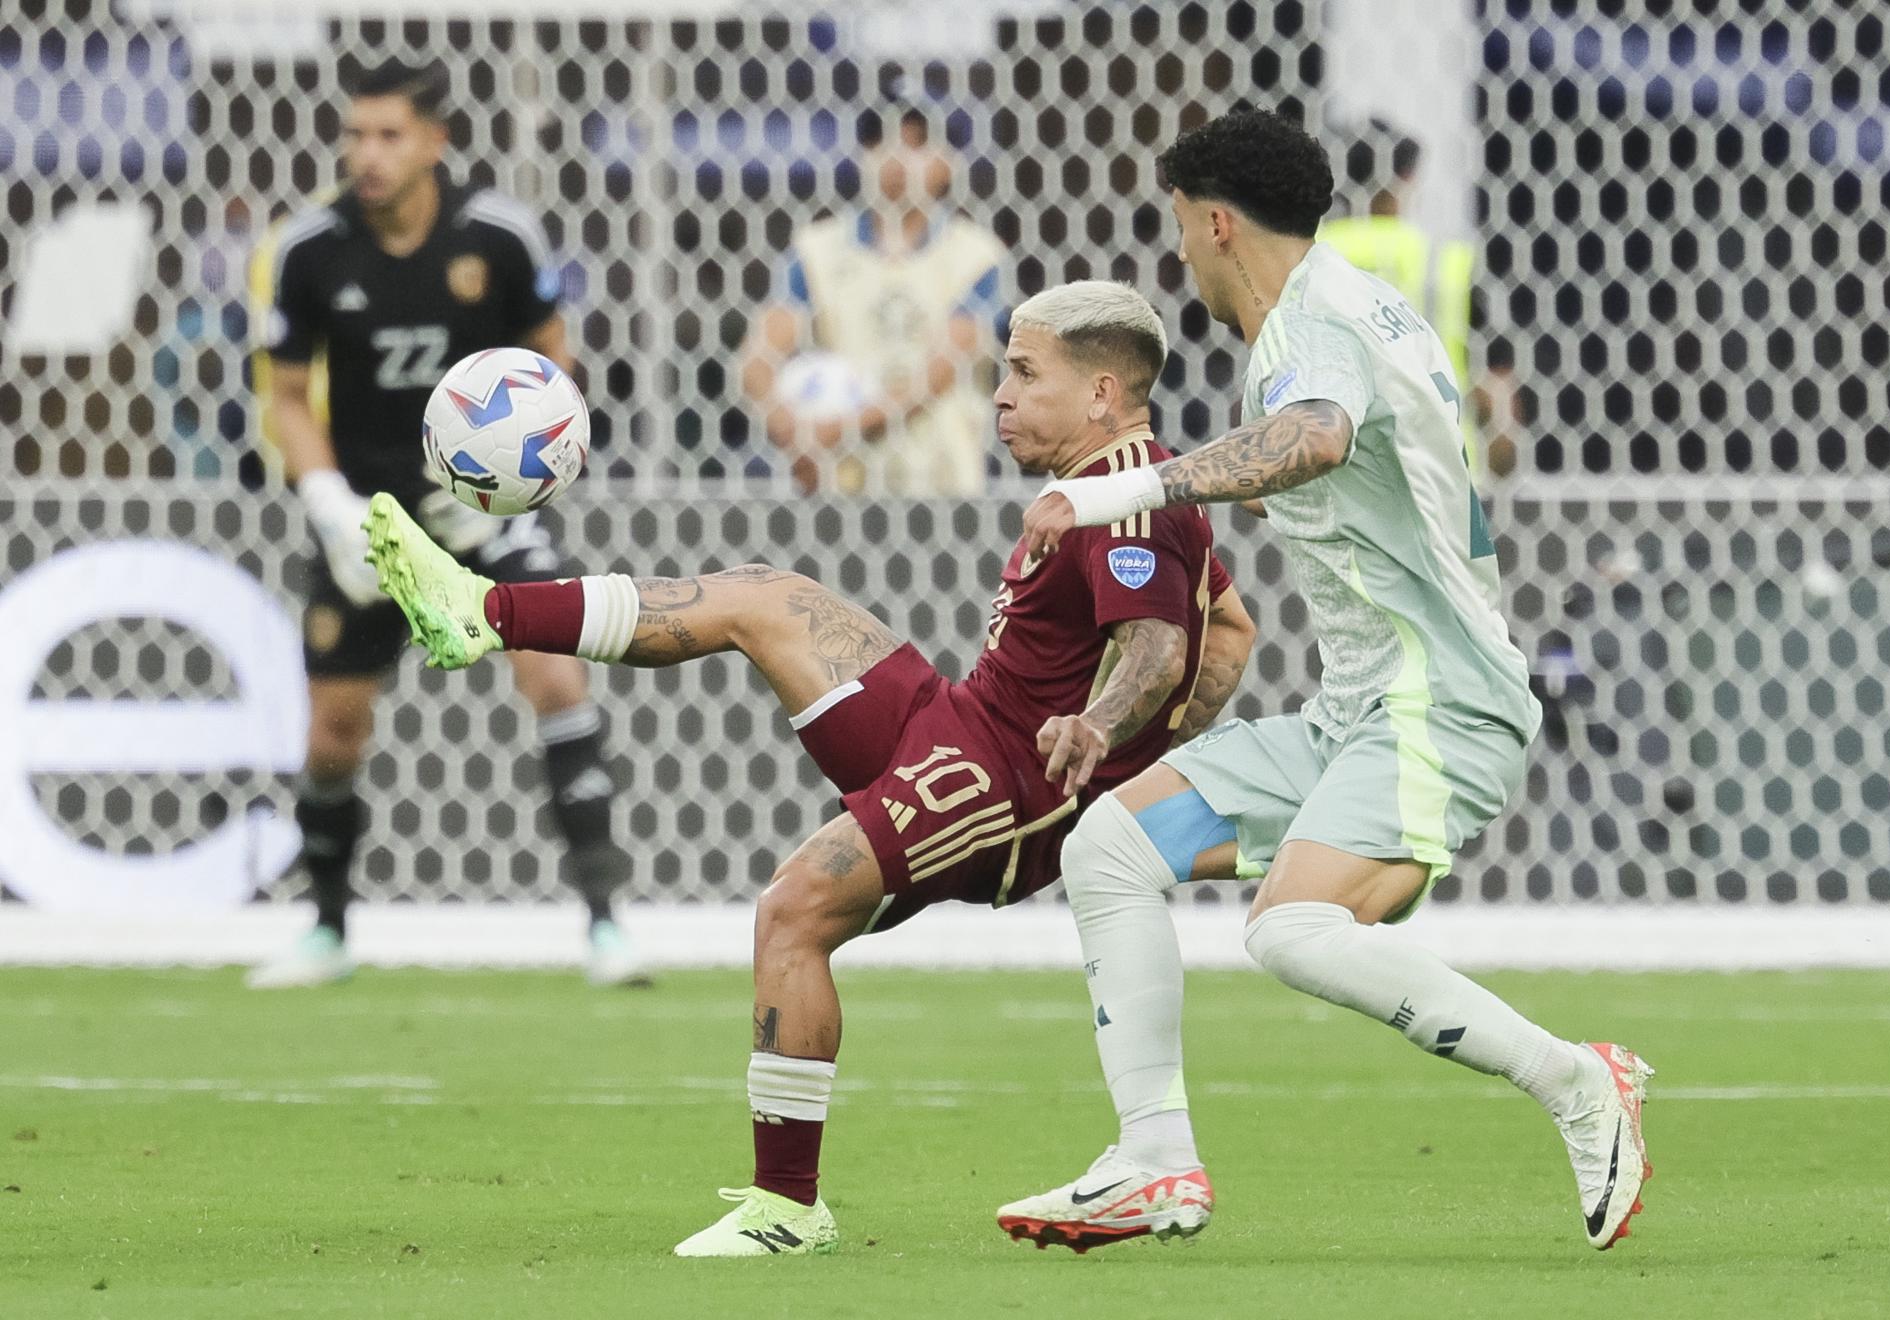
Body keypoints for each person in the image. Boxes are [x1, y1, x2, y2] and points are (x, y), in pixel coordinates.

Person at [362, 281, 1259, 1256]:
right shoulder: (1132, 482)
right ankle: (482, 613)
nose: (998, 393)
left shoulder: (1126, 499)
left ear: (1099, 394)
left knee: (793, 909)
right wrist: (1145, 742)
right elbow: (1229, 631)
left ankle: (787, 1210)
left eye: (1022, 372)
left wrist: (1098, 737)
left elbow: (1160, 648)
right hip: (964, 722)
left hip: (1003, 783)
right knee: (762, 597)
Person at [1002, 110, 1653, 1253]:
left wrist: (1114, 494)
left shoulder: (1315, 323)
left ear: (1214, 222)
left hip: (1438, 702)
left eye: (1178, 230)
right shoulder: (1346, 312)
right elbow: (1347, 469)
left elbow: (1312, 437)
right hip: (1360, 710)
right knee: (1107, 843)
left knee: (1293, 929)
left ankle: (1580, 1082)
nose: (1179, 256)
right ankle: (1152, 1162)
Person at [245, 58, 649, 989]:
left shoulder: (497, 238)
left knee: (556, 676)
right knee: (333, 732)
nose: (366, 154)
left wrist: (510, 488)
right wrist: (330, 508)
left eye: (388, 135)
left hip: (482, 512)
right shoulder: (311, 249)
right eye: (355, 134)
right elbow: (292, 398)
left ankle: (605, 925)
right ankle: (328, 930)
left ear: (436, 142)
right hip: (367, 518)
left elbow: (556, 371)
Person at [738, 103, 1006, 496]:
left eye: (917, 143)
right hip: (842, 486)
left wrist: (837, 429)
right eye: (882, 141)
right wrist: (795, 433)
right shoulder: (817, 250)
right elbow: (758, 360)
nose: (896, 157)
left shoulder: (976, 256)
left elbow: (937, 374)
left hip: (941, 484)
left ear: (948, 163)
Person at [1319, 128, 1524, 476]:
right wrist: (1502, 471)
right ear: (1406, 179)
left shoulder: (1310, 258)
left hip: (1339, 481)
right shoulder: (1442, 260)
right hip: (1440, 477)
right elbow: (1495, 389)